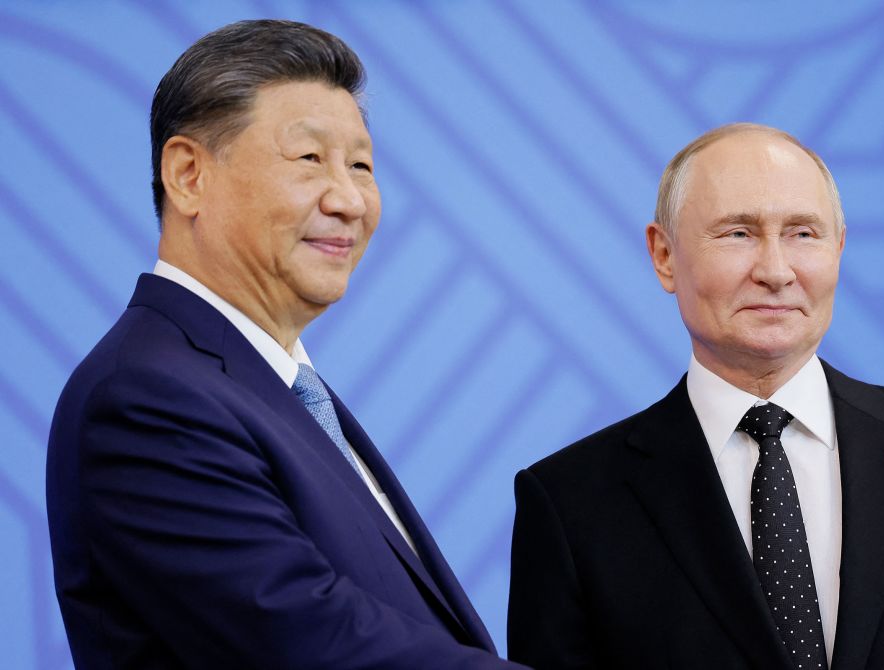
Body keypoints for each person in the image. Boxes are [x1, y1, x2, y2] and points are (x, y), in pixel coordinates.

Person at [47, 19, 525, 670]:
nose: (351, 199)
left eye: (362, 165)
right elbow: (312, 639)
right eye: (310, 160)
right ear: (188, 174)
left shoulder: (283, 390)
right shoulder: (145, 398)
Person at [506, 123, 884, 670]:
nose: (776, 271)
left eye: (803, 233)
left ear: (839, 248)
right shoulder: (569, 503)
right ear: (664, 256)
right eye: (738, 233)